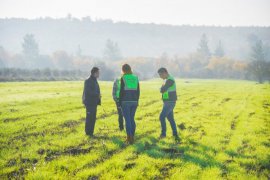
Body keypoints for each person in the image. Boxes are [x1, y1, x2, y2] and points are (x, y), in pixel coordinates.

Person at [157, 67, 180, 142]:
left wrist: (162, 89)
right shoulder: (166, 80)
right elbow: (162, 89)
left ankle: (163, 134)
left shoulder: (170, 80)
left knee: (161, 117)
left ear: (165, 73)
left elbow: (162, 90)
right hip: (168, 102)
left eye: (160, 75)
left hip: (170, 102)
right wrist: (162, 89)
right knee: (170, 119)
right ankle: (175, 134)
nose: (160, 77)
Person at [119, 64, 140, 144]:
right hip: (134, 101)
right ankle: (132, 136)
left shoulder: (123, 78)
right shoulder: (135, 78)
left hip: (125, 101)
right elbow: (138, 91)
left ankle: (129, 138)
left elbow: (121, 91)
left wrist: (119, 102)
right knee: (131, 119)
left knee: (127, 120)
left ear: (123, 70)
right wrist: (137, 100)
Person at [82, 67, 101, 137]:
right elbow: (88, 92)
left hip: (94, 103)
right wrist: (97, 95)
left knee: (93, 118)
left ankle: (91, 133)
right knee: (89, 118)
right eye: (98, 73)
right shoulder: (88, 81)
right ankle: (88, 133)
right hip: (89, 103)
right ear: (94, 73)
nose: (99, 74)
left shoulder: (95, 80)